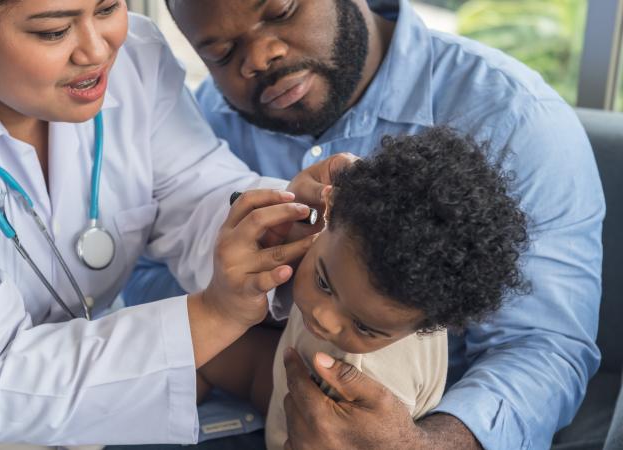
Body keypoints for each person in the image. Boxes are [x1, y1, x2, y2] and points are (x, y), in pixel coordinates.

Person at [0, 1, 341, 449]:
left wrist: (281, 224)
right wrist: (215, 314)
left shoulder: (134, 57)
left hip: (55, 415)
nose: (96, 49)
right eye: (53, 30)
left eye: (109, 7)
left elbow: (198, 193)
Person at [125, 0, 606, 448]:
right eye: (221, 52)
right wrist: (255, 287)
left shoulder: (515, 120)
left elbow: (542, 349)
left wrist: (426, 443)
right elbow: (147, 278)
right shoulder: (205, 122)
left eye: (280, 11)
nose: (259, 56)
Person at [194, 127, 530, 450]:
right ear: (331, 207)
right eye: (324, 283)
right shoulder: (349, 246)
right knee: (201, 352)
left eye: (363, 326)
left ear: (427, 325)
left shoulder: (372, 382)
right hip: (293, 372)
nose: (324, 317)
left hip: (311, 429)